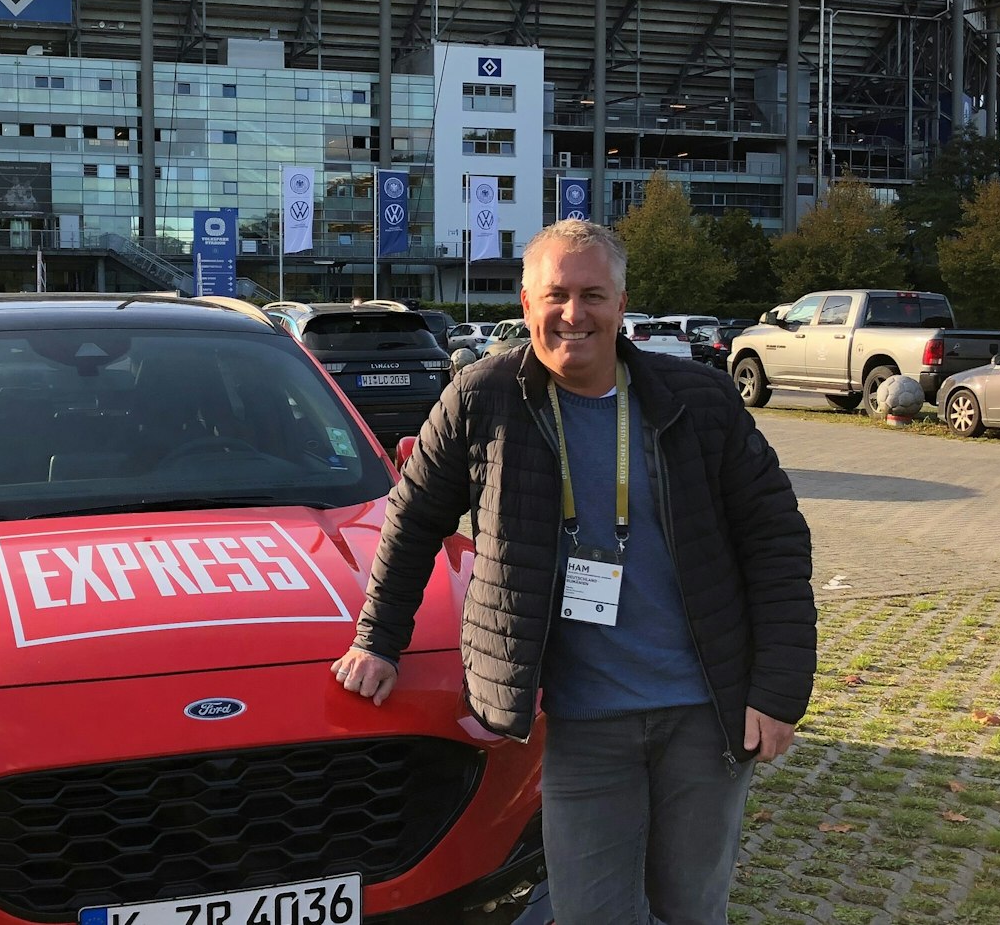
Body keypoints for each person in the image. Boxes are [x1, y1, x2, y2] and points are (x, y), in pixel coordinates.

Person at [331, 220, 816, 925]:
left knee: (690, 908)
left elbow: (776, 538)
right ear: (526, 303)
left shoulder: (699, 400)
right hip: (584, 722)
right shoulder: (480, 398)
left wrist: (777, 691)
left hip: (703, 716)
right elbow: (410, 522)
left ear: (622, 305)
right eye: (555, 293)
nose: (573, 313)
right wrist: (379, 638)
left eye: (594, 294)